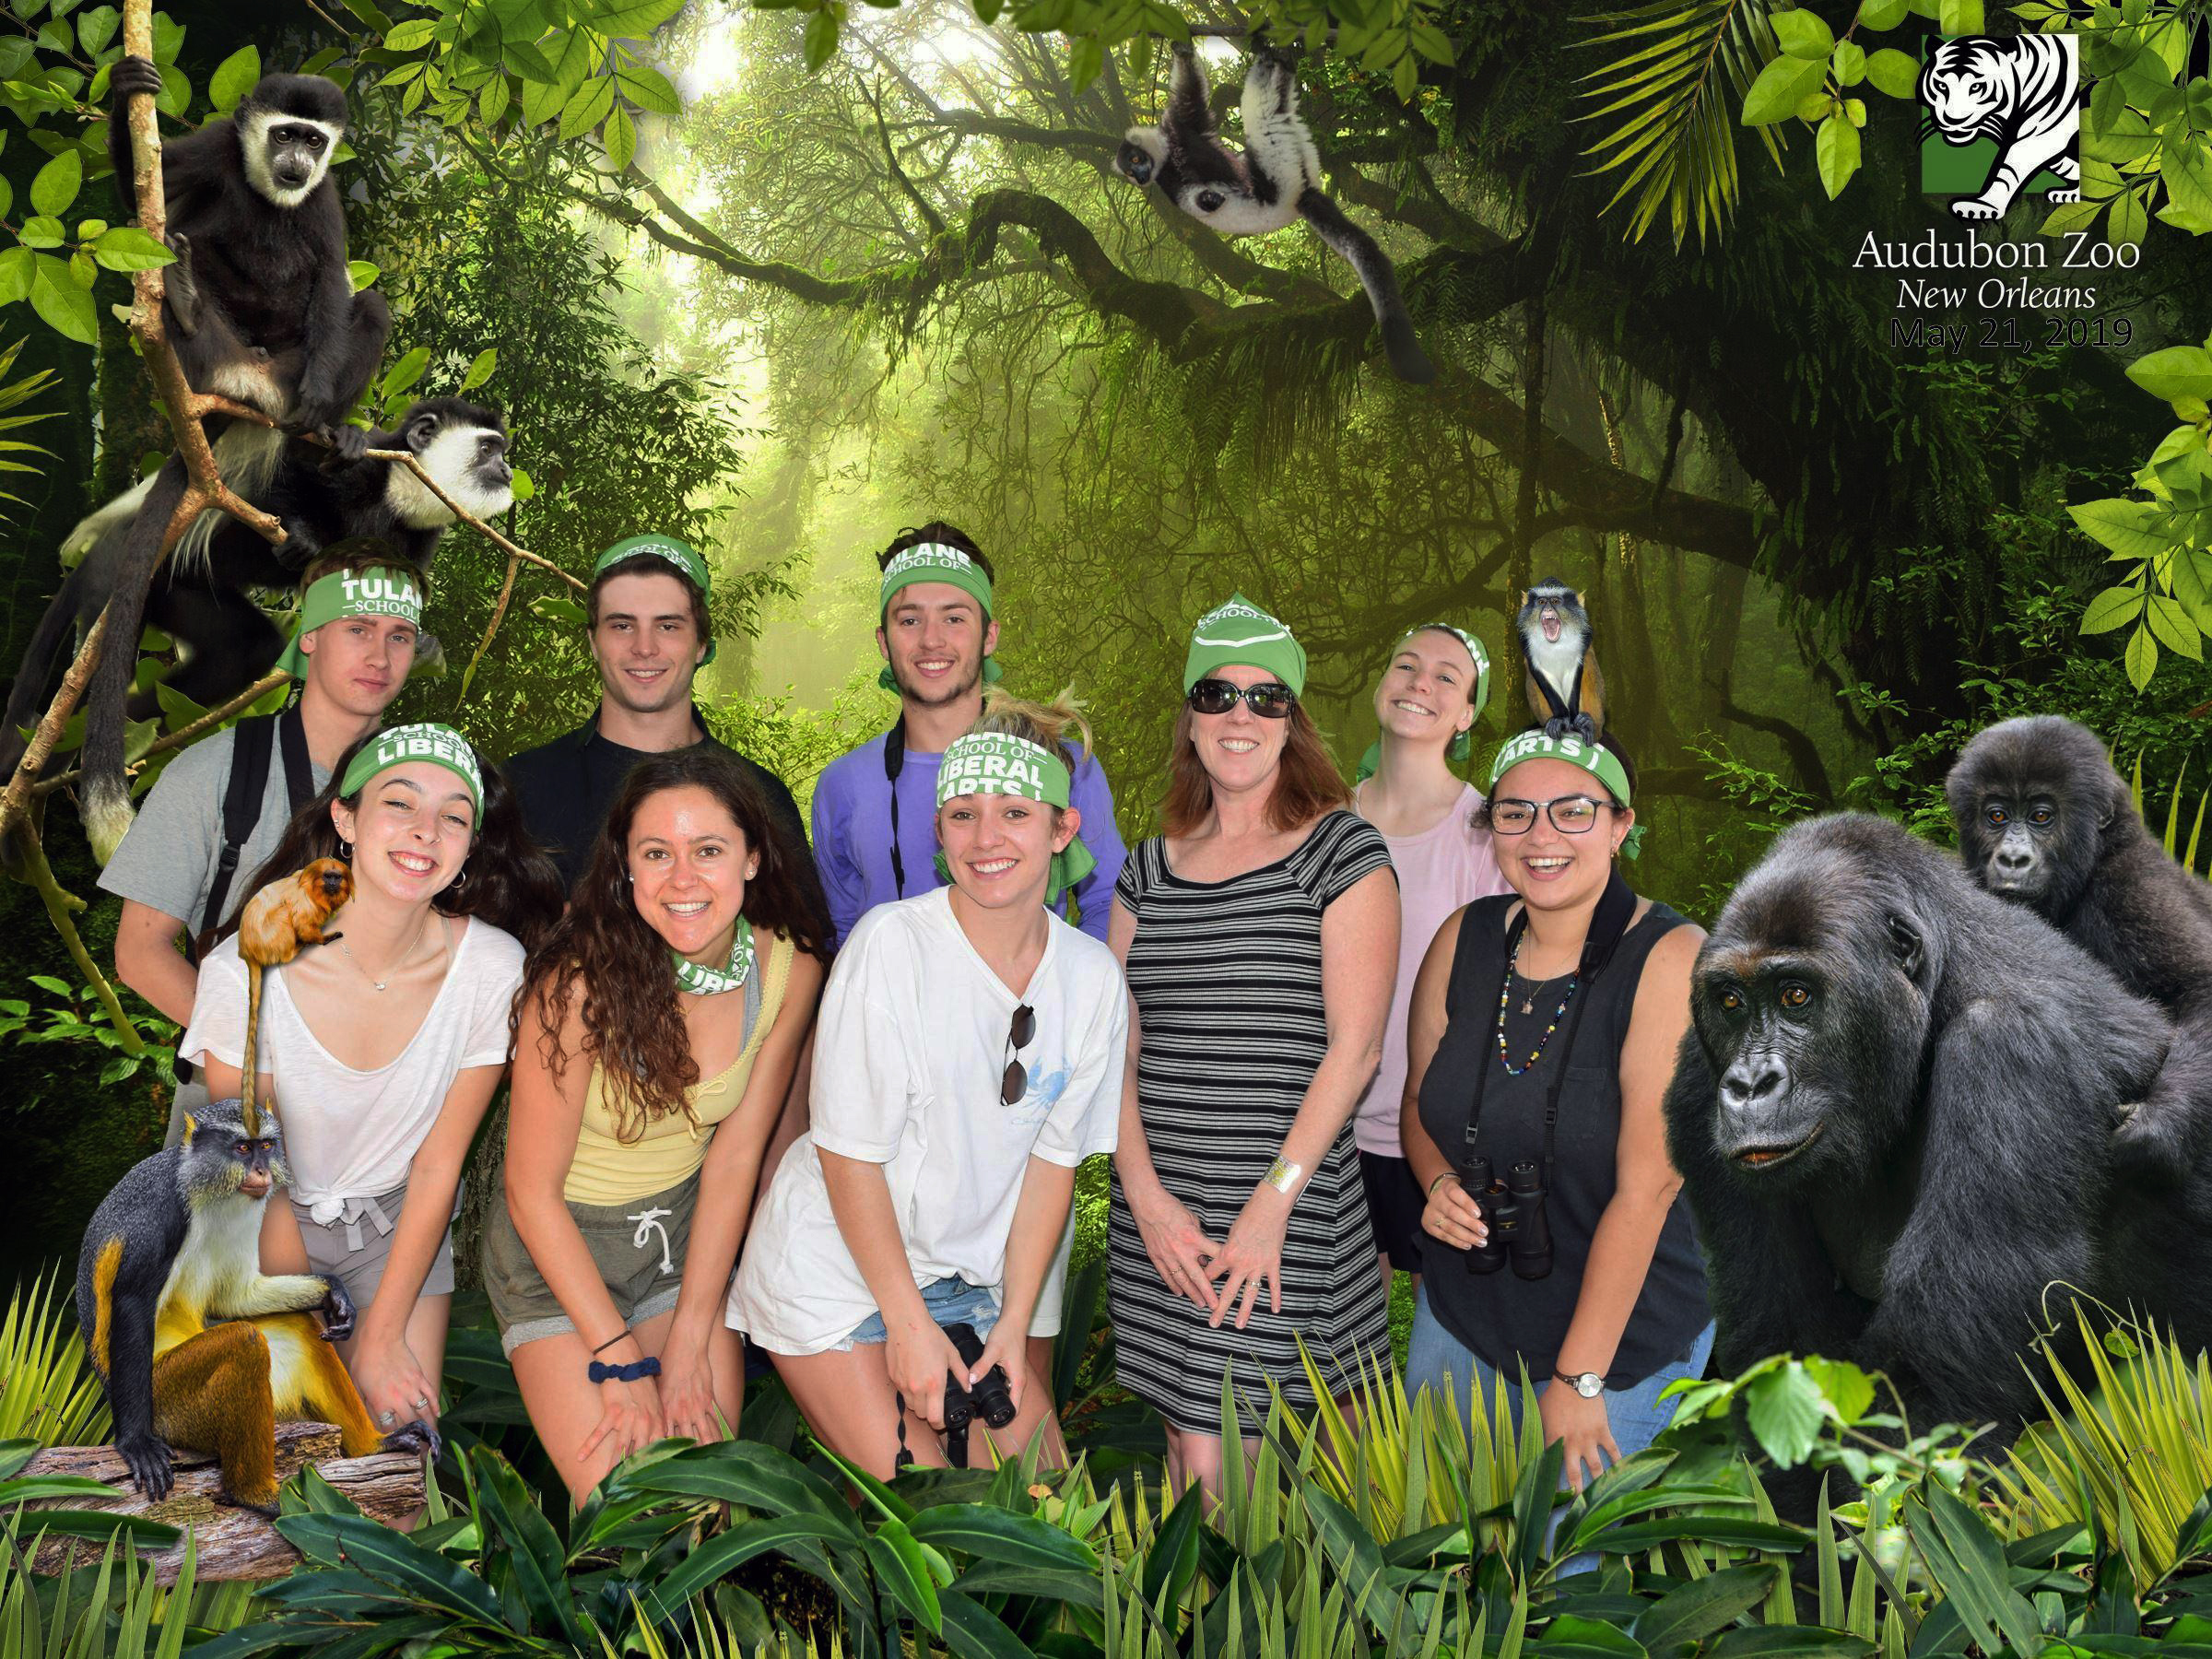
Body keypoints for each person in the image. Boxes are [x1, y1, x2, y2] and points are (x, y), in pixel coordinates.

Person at [731, 691, 1126, 1480]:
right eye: (965, 815)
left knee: (1051, 1499)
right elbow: (849, 1157)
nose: (988, 839)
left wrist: (1015, 1324)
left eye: (1017, 814)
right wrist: (907, 1327)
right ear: (939, 830)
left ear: (1062, 828)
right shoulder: (891, 946)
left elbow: (1053, 1168)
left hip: (963, 1283)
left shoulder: (1091, 979)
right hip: (836, 1273)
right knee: (946, 1511)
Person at [178, 723, 561, 1440]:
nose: (426, 832)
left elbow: (438, 1163)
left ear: (471, 845)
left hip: (396, 1230)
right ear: (346, 819)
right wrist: (319, 1335)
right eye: (400, 804)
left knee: (397, 1454)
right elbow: (252, 1175)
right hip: (261, 1228)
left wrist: (381, 1339)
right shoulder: (243, 971)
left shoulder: (492, 969)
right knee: (288, 1454)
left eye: (454, 816)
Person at [1108, 594, 1398, 1500]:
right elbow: (1110, 1046)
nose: (1241, 714)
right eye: (1218, 693)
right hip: (1161, 1211)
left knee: (1221, 1461)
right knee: (1193, 1448)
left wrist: (1273, 1204)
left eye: (1267, 698)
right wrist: (1144, 1195)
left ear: (1294, 721)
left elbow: (1355, 1050)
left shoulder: (1342, 851)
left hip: (1286, 1203)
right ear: (1189, 720)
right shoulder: (1146, 869)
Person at [492, 750, 827, 1503]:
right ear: (626, 869)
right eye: (656, 853)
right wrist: (619, 1359)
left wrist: (687, 1341)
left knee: (707, 1493)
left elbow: (736, 1159)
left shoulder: (789, 970)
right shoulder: (575, 983)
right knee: (628, 1505)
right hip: (557, 1247)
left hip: (678, 1238)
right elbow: (530, 1190)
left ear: (751, 858)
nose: (682, 879)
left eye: (708, 850)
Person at [1400, 727, 1712, 1500]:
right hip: (1466, 1312)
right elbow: (1417, 1101)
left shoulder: (1672, 960)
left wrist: (1579, 1378)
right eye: (1515, 813)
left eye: (1573, 811)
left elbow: (1650, 1190)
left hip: (1622, 1334)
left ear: (1620, 825)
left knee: (1566, 1579)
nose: (1541, 836)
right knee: (1445, 1556)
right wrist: (1438, 1184)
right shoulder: (1464, 939)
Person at [103, 548, 429, 1145]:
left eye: (400, 635)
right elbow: (139, 954)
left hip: (383, 1119)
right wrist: (270, 1060)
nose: (380, 657)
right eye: (357, 629)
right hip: (236, 1106)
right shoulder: (215, 774)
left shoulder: (431, 794)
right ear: (309, 636)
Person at [811, 524, 1126, 948]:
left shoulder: (1062, 764)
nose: (931, 640)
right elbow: (841, 932)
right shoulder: (843, 784)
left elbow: (1108, 901)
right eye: (910, 619)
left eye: (954, 618)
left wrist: (1071, 990)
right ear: (884, 642)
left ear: (989, 636)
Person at [501, 535, 819, 907]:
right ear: (593, 641)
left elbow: (801, 945)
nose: (645, 647)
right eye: (622, 625)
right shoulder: (522, 788)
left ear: (701, 644)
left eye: (668, 626)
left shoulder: (762, 796)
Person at [1350, 625, 1512, 1298]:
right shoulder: (1324, 820)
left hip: (1442, 1139)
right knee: (1340, 1371)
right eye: (1407, 664)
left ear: (1467, 714)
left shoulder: (1488, 835)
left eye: (1448, 676)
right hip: (1331, 1137)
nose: (1421, 682)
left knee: (1448, 1372)